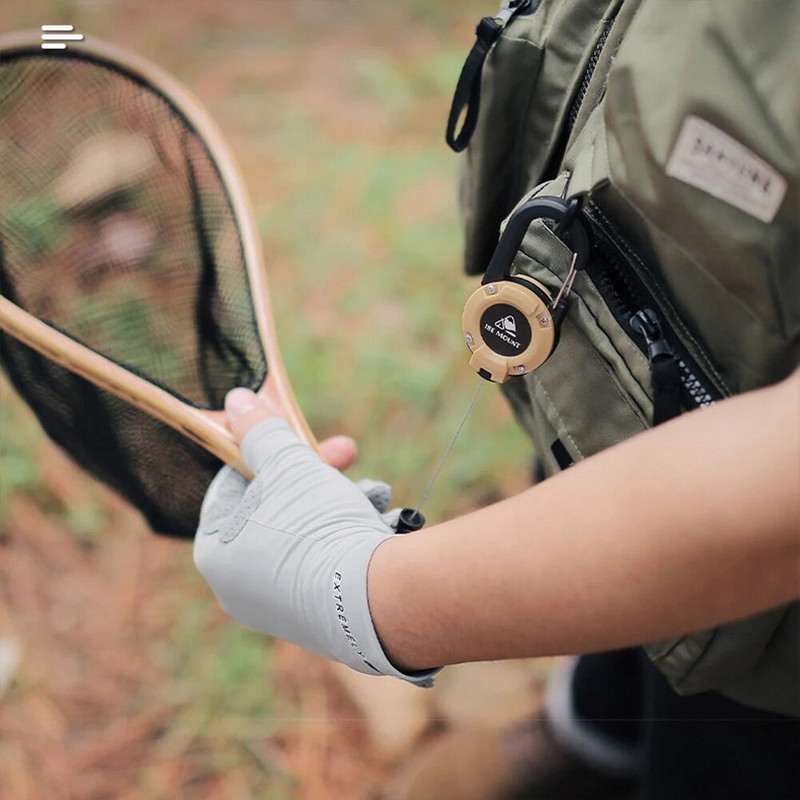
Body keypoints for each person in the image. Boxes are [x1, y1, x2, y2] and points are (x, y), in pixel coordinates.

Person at [194, 1, 800, 797]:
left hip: (775, 678)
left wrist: (362, 593)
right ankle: (595, 730)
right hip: (616, 405)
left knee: (725, 741)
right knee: (625, 656)